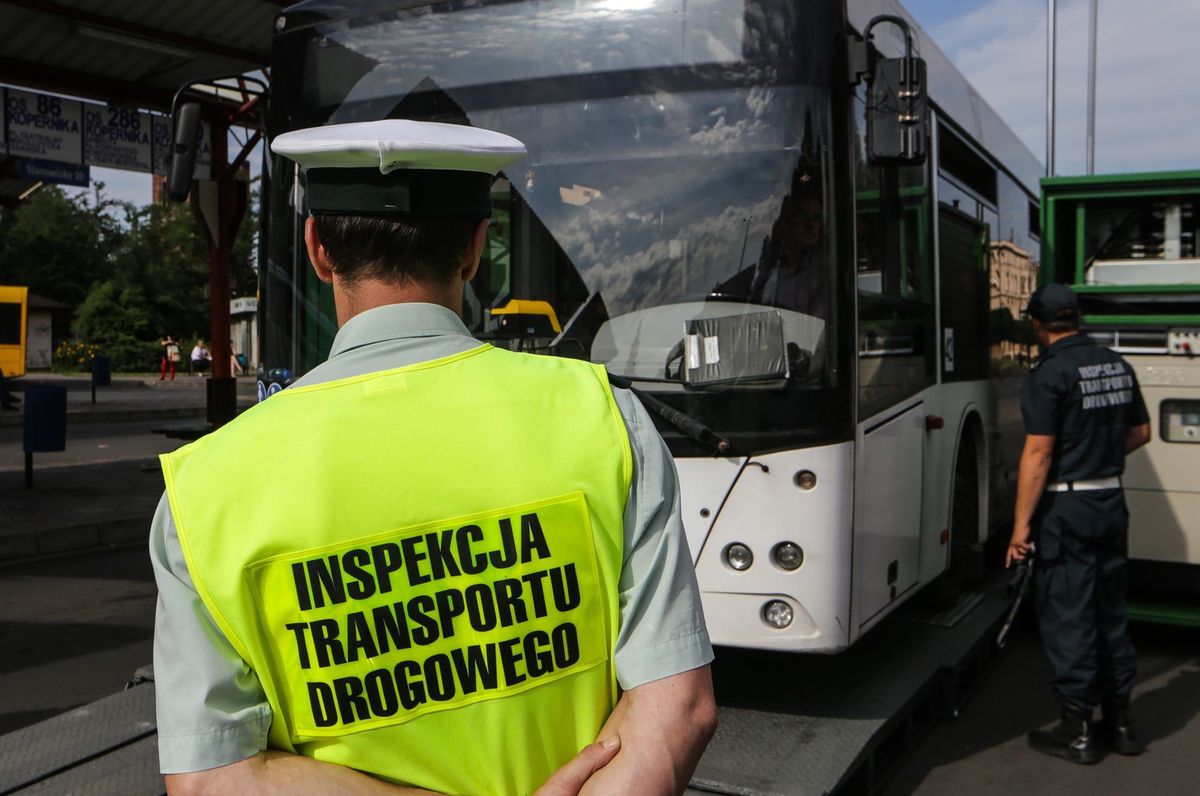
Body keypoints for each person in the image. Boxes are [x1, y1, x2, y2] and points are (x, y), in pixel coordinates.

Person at [150, 119, 717, 795]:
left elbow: (212, 779)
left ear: (317, 249)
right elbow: (678, 708)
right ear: (477, 248)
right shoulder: (601, 415)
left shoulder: (205, 487)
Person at [1006, 283, 1151, 765]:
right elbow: (1141, 433)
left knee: (1070, 617)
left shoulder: (1050, 373)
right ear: (1078, 318)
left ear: (1038, 324)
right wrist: (1099, 460)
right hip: (1110, 499)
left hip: (1067, 511)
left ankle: (1077, 731)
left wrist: (1020, 527)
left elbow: (1039, 452)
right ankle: (1122, 724)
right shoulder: (1116, 363)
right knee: (1111, 613)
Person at [713, 179, 827, 319]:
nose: (810, 224)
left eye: (816, 218)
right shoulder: (762, 260)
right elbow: (723, 299)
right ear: (787, 220)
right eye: (803, 216)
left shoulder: (825, 269)